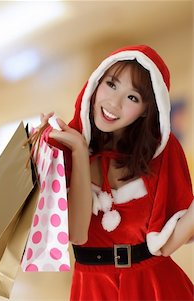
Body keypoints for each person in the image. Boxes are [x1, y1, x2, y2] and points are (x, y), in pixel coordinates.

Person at [39, 45, 193, 300]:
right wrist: (77, 151)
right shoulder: (68, 148)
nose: (114, 103)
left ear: (147, 109)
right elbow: (77, 234)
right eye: (111, 84)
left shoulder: (160, 152)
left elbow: (165, 246)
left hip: (153, 287)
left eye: (132, 98)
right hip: (92, 287)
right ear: (96, 83)